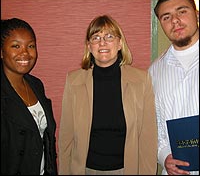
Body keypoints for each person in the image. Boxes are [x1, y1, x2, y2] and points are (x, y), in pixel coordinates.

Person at [58, 14, 157, 175]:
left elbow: (148, 138)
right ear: (89, 46)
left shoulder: (141, 80)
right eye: (95, 37)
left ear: (119, 44)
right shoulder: (73, 81)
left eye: (109, 36)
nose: (102, 42)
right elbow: (66, 137)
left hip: (127, 170)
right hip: (85, 170)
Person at [149, 0, 199, 175]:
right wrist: (164, 156)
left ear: (197, 14)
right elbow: (152, 124)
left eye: (182, 11)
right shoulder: (154, 71)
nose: (175, 21)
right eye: (166, 17)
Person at [1, 18, 58, 175]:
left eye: (31, 46)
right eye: (16, 46)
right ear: (1, 51)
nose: (25, 52)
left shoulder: (36, 85)